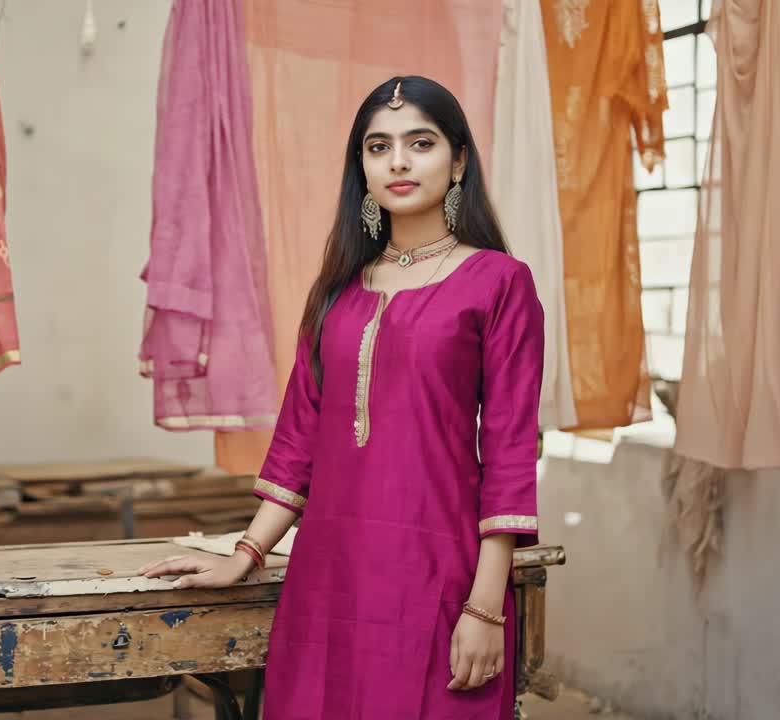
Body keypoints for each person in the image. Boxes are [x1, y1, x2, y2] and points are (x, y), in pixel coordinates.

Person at [139, 76, 544, 719]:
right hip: (328, 576)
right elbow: (300, 437)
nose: (399, 162)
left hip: (436, 571)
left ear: (459, 158)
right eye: (378, 147)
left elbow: (510, 447)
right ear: (362, 166)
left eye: (421, 143)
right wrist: (245, 555)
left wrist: (485, 606)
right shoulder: (338, 293)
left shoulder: (498, 283)